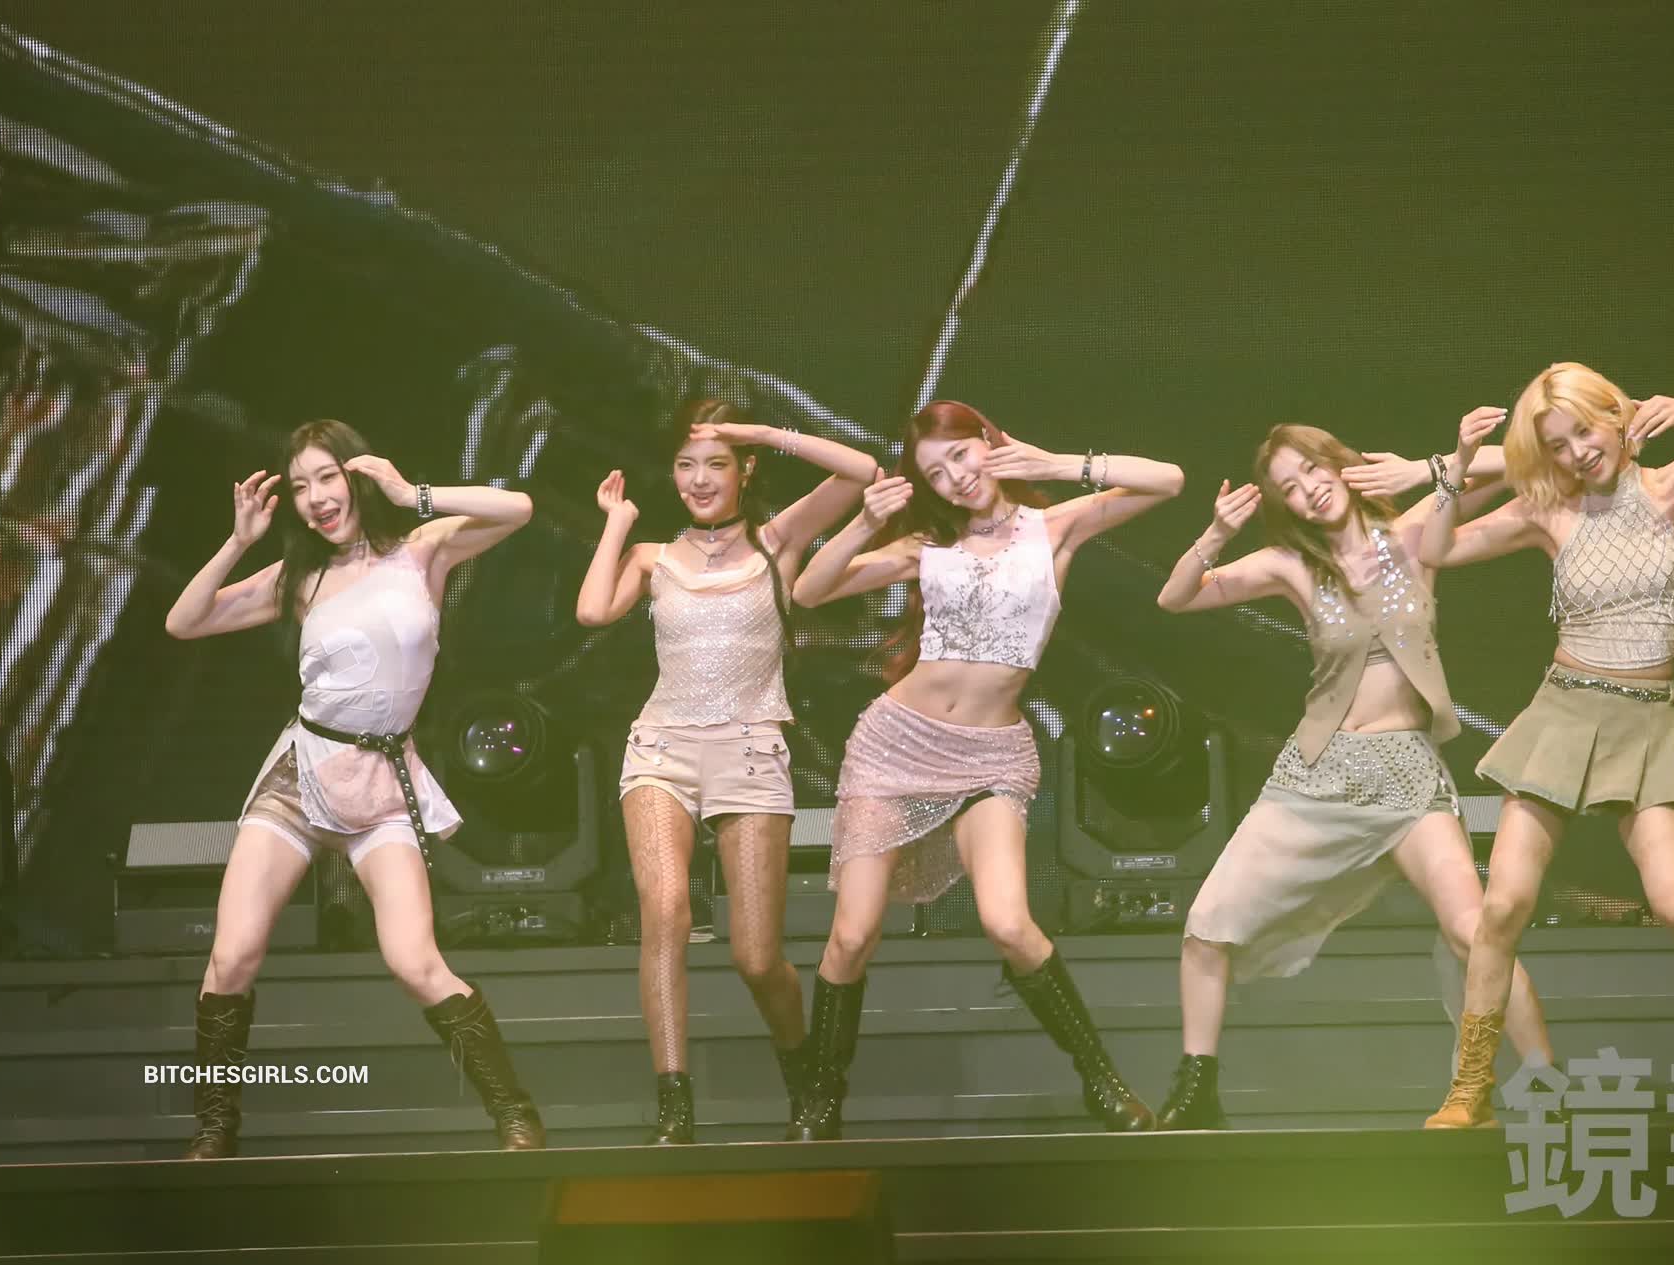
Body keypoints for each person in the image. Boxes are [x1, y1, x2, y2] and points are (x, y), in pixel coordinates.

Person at [1418, 364, 1674, 1126]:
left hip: (1644, 722)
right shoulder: (1548, 509)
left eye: (1584, 431)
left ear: (1617, 415)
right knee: (1502, 902)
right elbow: (1437, 550)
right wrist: (1453, 468)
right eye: (1557, 444)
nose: (1576, 452)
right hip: (1565, 714)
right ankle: (1471, 1087)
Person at [784, 400, 1185, 1140]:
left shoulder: (1053, 528)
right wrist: (865, 523)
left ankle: (1103, 1083)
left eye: (961, 456)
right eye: (935, 473)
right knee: (852, 936)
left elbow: (1169, 480)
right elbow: (808, 590)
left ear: (988, 443)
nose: (955, 479)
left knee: (1008, 923)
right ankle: (820, 1097)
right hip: (896, 747)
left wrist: (1056, 463)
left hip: (992, 757)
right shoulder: (926, 546)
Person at [1149, 418, 1555, 1128]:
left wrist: (1436, 462)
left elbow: (1521, 465)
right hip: (1320, 771)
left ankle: (1547, 1086)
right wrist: (1215, 533)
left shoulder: (1416, 531)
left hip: (1407, 775)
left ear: (1341, 465)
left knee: (1475, 931)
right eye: (1289, 487)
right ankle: (1197, 1090)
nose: (1308, 490)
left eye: (1313, 469)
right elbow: (1175, 597)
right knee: (1208, 923)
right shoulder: (1290, 564)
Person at [163, 419, 543, 1157]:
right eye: (300, 486)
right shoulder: (298, 579)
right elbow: (184, 621)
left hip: (382, 784)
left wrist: (411, 493)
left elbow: (518, 508)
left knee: (415, 962)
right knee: (232, 956)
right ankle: (215, 1127)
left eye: (326, 477)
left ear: (355, 475)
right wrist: (239, 541)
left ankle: (516, 1115)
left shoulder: (422, 552)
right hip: (300, 777)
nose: (315, 498)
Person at [575, 399, 878, 1143]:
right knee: (666, 912)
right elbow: (591, 611)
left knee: (756, 956)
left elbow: (862, 472)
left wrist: (762, 431)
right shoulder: (652, 556)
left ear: (745, 469)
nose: (699, 479)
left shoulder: (778, 541)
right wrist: (616, 522)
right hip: (661, 749)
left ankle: (805, 1076)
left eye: (716, 463)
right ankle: (675, 1106)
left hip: (749, 750)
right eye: (686, 465)